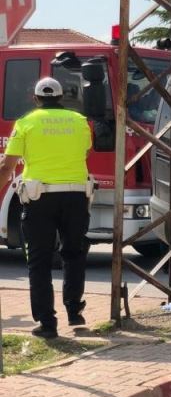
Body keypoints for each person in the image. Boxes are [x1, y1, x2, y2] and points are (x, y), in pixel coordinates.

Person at [0, 77, 92, 339]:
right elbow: (85, 152)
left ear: (36, 98)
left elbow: (8, 167)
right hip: (76, 197)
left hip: (39, 199)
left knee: (39, 262)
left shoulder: (26, 123)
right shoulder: (79, 121)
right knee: (74, 253)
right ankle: (75, 312)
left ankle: (48, 324)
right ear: (61, 97)